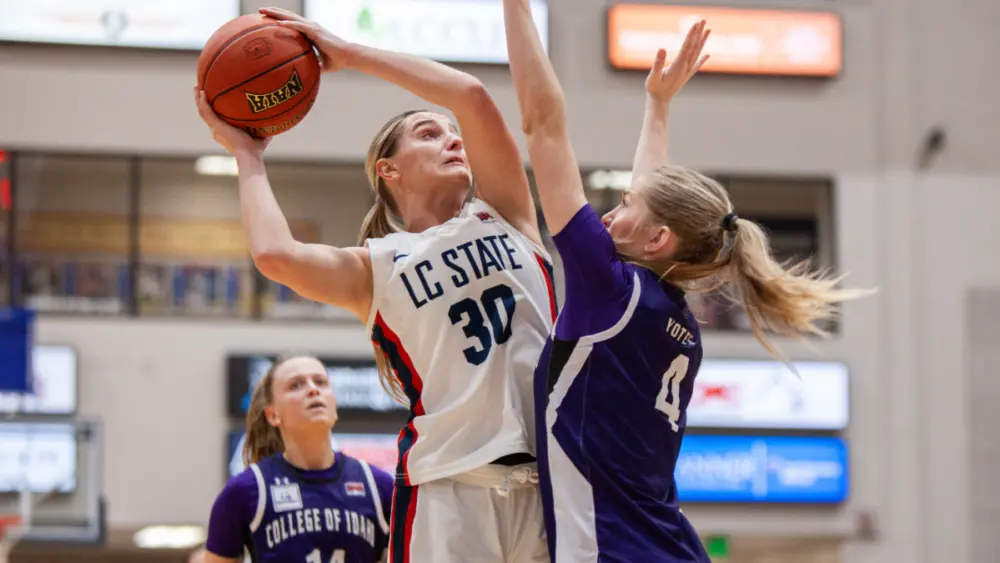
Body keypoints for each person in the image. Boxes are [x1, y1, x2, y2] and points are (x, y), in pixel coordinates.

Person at [501, 4, 872, 562]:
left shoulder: (611, 291)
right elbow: (654, 198)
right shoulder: (672, 318)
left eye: (622, 205)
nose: (606, 216)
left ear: (658, 241)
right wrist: (657, 106)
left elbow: (542, 125)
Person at [195, 7, 555, 562]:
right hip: (447, 487)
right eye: (429, 134)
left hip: (549, 482)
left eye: (453, 134)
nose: (452, 139)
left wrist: (351, 54)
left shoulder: (506, 213)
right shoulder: (376, 267)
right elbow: (274, 254)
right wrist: (248, 155)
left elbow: (472, 95)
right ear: (388, 171)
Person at [202, 356, 393, 563]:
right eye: (296, 385)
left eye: (320, 382)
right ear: (273, 415)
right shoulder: (244, 491)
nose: (313, 390)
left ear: (334, 405)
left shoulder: (379, 487)